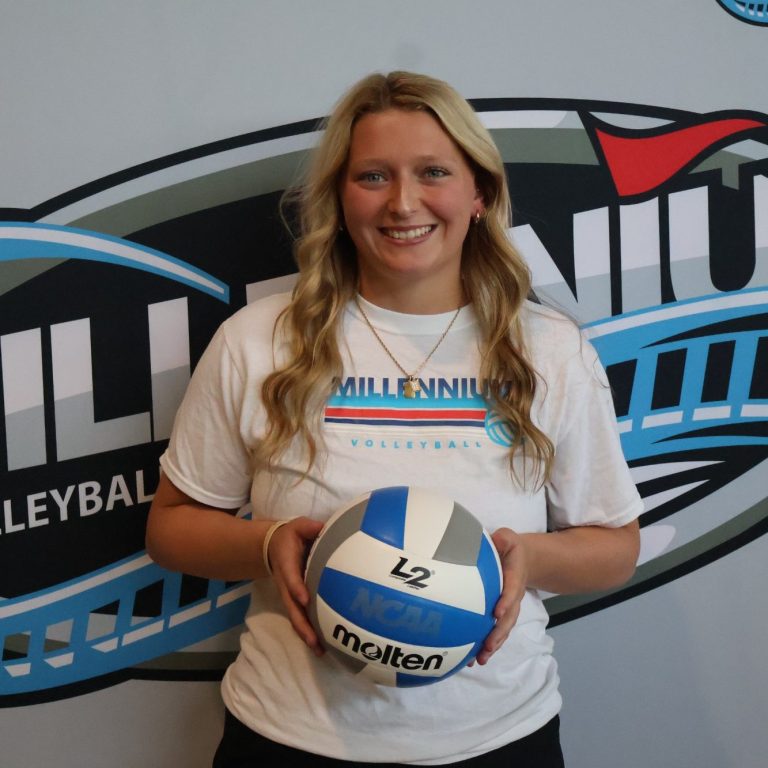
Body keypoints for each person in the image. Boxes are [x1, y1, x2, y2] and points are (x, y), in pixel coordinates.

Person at [146, 70, 643, 767]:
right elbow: (170, 528)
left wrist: (529, 559)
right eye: (373, 176)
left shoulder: (550, 349)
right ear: (340, 197)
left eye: (433, 172)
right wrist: (269, 543)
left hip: (497, 738)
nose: (403, 202)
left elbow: (616, 544)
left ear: (479, 194)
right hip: (290, 739)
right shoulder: (258, 340)